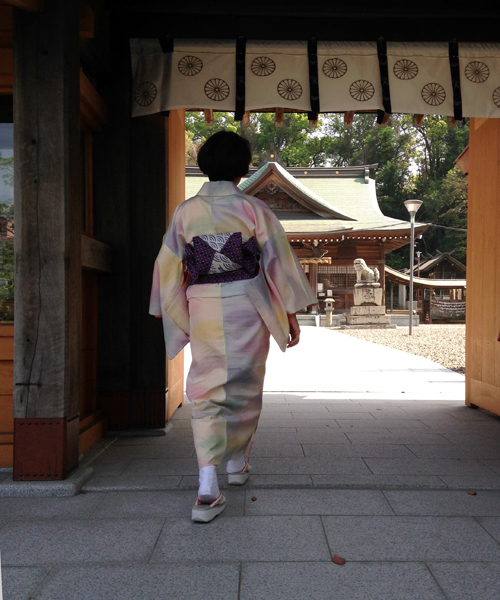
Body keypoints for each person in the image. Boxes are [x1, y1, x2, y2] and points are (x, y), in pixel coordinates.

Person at [149, 131, 316, 522]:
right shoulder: (255, 209)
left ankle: (208, 485)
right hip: (248, 303)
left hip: (203, 304)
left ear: (205, 165)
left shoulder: (185, 212)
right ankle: (237, 463)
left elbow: (168, 264)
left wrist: (167, 307)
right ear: (243, 169)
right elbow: (277, 262)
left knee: (206, 388)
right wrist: (289, 314)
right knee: (244, 384)